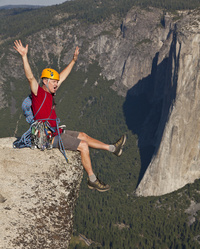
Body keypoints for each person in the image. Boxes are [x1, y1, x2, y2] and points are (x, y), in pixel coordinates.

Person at [13, 40, 126, 192]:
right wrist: (24, 57)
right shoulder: (38, 94)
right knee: (83, 146)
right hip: (45, 137)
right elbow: (30, 78)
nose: (56, 84)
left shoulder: (51, 91)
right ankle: (92, 179)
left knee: (83, 135)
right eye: (53, 82)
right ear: (45, 81)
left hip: (54, 131)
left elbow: (63, 77)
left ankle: (113, 148)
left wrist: (73, 61)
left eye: (56, 82)